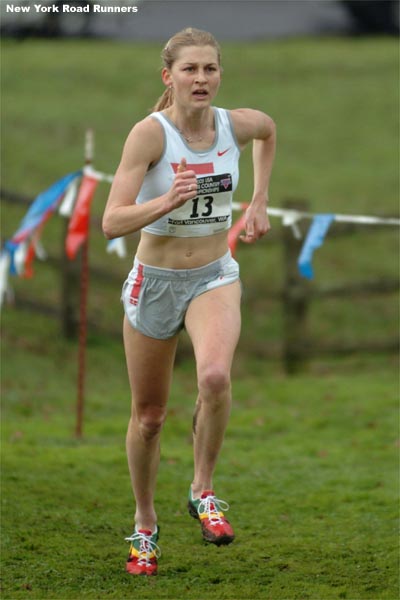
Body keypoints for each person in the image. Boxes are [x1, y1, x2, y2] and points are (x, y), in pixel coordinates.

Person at [102, 27, 276, 576]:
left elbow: (269, 130)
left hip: (213, 276)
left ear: (219, 74)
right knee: (150, 417)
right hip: (153, 281)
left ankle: (203, 491)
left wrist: (260, 202)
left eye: (210, 69)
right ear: (168, 77)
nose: (201, 79)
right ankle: (145, 524)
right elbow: (110, 221)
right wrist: (164, 201)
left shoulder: (234, 125)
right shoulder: (148, 136)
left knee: (216, 378)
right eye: (190, 70)